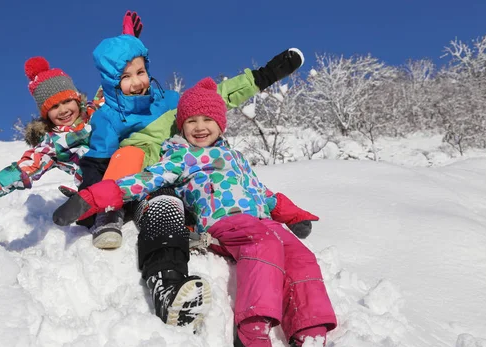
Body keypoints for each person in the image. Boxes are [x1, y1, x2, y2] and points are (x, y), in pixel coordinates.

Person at [54, 77, 338, 347]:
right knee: (265, 242)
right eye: (191, 120)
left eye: (207, 119)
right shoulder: (179, 156)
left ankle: (309, 329)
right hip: (223, 223)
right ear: (181, 125)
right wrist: (91, 198)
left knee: (300, 256)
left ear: (221, 124)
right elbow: (141, 181)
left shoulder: (236, 158)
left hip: (261, 220)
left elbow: (263, 193)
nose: (199, 127)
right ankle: (252, 333)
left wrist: (293, 215)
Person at [54, 33, 306, 250]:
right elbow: (98, 160)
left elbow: (215, 97)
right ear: (111, 82)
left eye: (140, 72)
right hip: (142, 178)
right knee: (126, 154)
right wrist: (86, 200)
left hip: (185, 171)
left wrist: (266, 75)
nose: (137, 82)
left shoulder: (170, 100)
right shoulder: (108, 117)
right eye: (126, 76)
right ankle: (109, 215)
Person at [0, 12, 142, 218]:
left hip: (129, 169)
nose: (62, 110)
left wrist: (128, 46)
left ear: (77, 99)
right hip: (96, 187)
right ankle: (90, 207)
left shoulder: (96, 111)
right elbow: (21, 170)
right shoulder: (52, 143)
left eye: (66, 101)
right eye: (53, 107)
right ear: (46, 114)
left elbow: (114, 82)